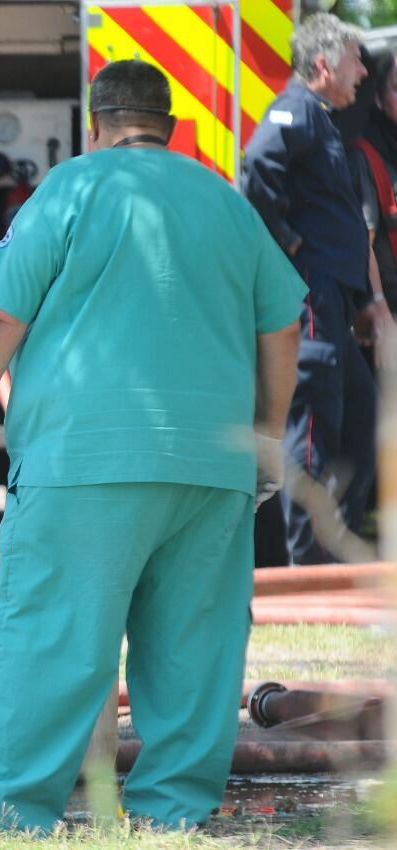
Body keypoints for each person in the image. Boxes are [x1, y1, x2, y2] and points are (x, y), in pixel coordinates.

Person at [0, 60, 305, 833]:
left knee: (55, 634)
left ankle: (10, 809)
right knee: (195, 643)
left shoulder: (72, 187)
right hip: (212, 468)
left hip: (85, 461)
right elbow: (283, 324)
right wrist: (265, 438)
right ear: (173, 128)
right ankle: (173, 810)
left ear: (94, 124)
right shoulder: (226, 203)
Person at [243, 13, 378, 565]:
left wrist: (364, 301)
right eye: (354, 60)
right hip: (312, 298)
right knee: (314, 431)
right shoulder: (293, 110)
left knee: (362, 423)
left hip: (335, 302)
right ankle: (309, 568)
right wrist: (288, 244)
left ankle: (334, 549)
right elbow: (256, 168)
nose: (363, 72)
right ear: (323, 64)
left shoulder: (321, 117)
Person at [348, 49, 397, 334]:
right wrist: (377, 306)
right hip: (390, 316)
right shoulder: (364, 157)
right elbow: (362, 242)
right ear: (379, 99)